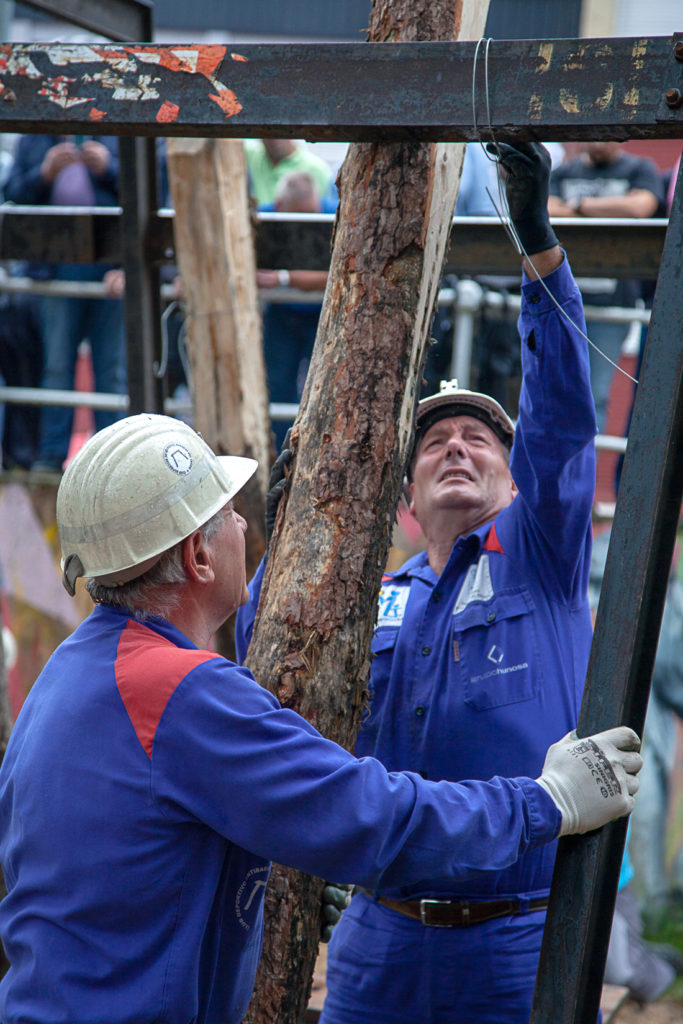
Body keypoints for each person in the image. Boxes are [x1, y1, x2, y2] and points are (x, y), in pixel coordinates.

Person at [0, 413, 642, 1024]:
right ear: (198, 557)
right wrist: (547, 801)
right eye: (228, 515)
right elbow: (369, 813)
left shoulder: (64, 677)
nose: (244, 529)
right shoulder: (178, 691)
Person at [237, 142, 607, 1024]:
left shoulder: (540, 553)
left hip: (519, 941)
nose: (456, 445)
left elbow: (558, 420)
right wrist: (284, 535)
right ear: (402, 498)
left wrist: (538, 245)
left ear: (515, 484)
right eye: (435, 439)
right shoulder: (372, 596)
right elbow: (269, 659)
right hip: (378, 943)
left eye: (480, 439)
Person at [2, 134, 127, 472]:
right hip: (54, 268)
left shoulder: (115, 133)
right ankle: (50, 455)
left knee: (111, 369)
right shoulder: (34, 138)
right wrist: (45, 172)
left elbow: (144, 193)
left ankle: (114, 460)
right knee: (56, 365)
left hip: (110, 268)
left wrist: (108, 169)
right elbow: (14, 196)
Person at [548, 142, 664, 433]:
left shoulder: (640, 168)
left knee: (594, 395)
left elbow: (640, 207)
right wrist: (612, 210)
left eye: (606, 135)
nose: (599, 141)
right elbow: (545, 209)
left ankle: (583, 474)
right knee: (552, 392)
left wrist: (580, 207)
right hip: (561, 300)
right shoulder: (564, 171)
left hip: (613, 304)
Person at [257, 171, 337, 448]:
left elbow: (340, 272)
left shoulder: (334, 213)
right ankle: (281, 452)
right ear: (281, 206)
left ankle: (316, 448)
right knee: (278, 386)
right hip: (282, 314)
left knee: (324, 387)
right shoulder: (263, 217)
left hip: (322, 313)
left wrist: (284, 278)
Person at [244, 138, 333, 207]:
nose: (274, 139)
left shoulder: (317, 169)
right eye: (267, 130)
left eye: (280, 129)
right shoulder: (251, 155)